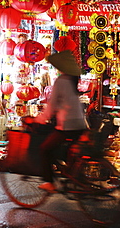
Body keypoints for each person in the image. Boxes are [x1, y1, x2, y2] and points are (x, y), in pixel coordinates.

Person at [33, 50, 87, 192]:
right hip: (80, 123)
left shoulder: (61, 81)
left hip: (68, 125)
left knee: (45, 148)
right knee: (64, 150)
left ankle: (49, 182)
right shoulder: (73, 80)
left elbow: (51, 106)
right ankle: (70, 175)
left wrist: (39, 119)